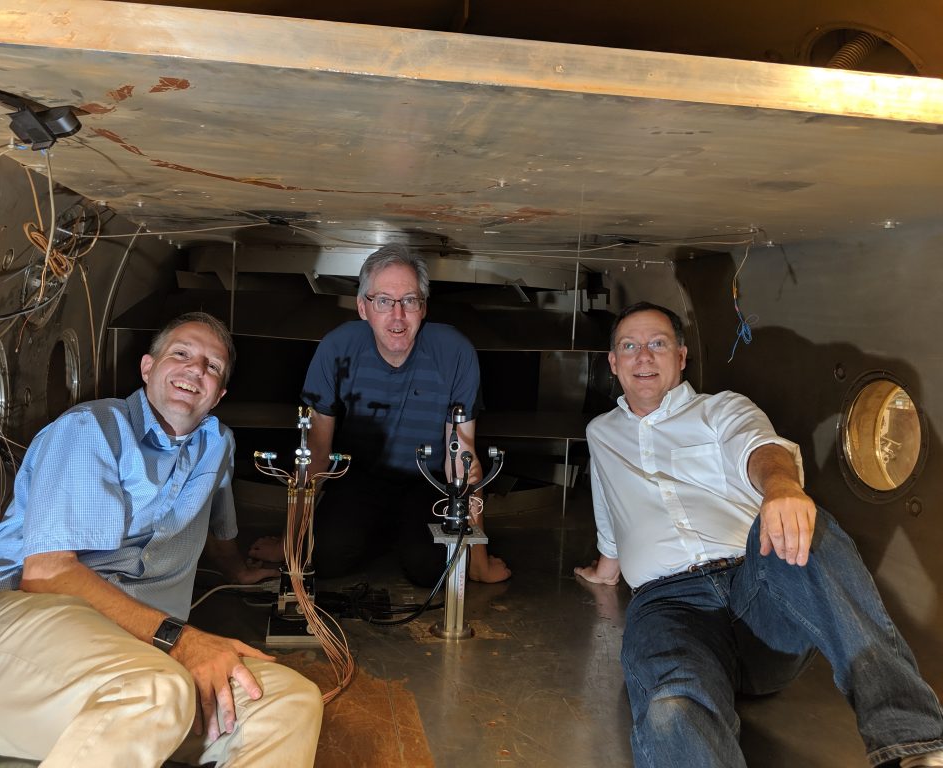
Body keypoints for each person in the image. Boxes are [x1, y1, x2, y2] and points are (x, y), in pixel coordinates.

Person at [0, 312, 323, 768]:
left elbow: (219, 525)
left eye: (212, 366)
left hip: (141, 658)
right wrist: (181, 639)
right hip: (9, 641)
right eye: (181, 354)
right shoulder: (93, 429)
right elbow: (46, 575)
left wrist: (237, 570)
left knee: (290, 701)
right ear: (147, 368)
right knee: (156, 688)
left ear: (218, 395)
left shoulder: (217, 444)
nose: (196, 369)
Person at [575, 301, 943, 768]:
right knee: (672, 708)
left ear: (682, 357)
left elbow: (759, 447)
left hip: (761, 594)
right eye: (629, 346)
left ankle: (914, 744)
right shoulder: (600, 432)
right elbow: (610, 505)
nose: (643, 356)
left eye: (657, 344)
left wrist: (783, 487)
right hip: (670, 609)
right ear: (613, 362)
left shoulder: (720, 408)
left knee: (806, 525)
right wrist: (608, 567)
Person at [253, 244, 509, 586]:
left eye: (409, 301)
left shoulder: (455, 352)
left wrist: (477, 561)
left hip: (428, 482)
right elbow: (315, 449)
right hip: (360, 478)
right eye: (384, 301)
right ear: (363, 307)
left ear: (423, 307)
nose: (398, 316)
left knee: (431, 570)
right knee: (324, 557)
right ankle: (387, 533)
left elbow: (462, 458)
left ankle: (403, 535)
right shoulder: (336, 348)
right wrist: (291, 544)